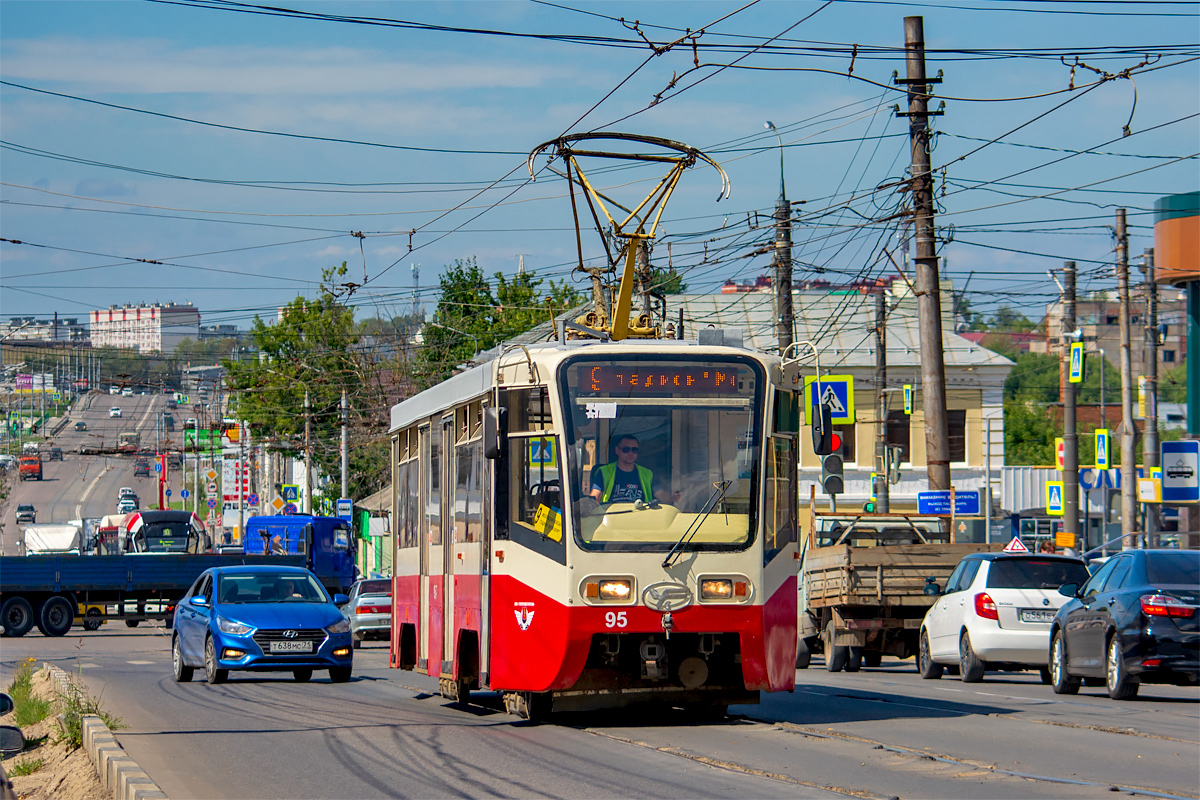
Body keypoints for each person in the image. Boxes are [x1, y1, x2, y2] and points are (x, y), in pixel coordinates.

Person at [589, 435, 679, 505]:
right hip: (611, 519)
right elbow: (594, 497)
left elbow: (660, 494)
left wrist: (672, 498)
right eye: (626, 449)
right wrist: (587, 505)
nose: (630, 453)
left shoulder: (647, 474)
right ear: (617, 450)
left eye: (634, 450)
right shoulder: (603, 472)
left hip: (640, 519)